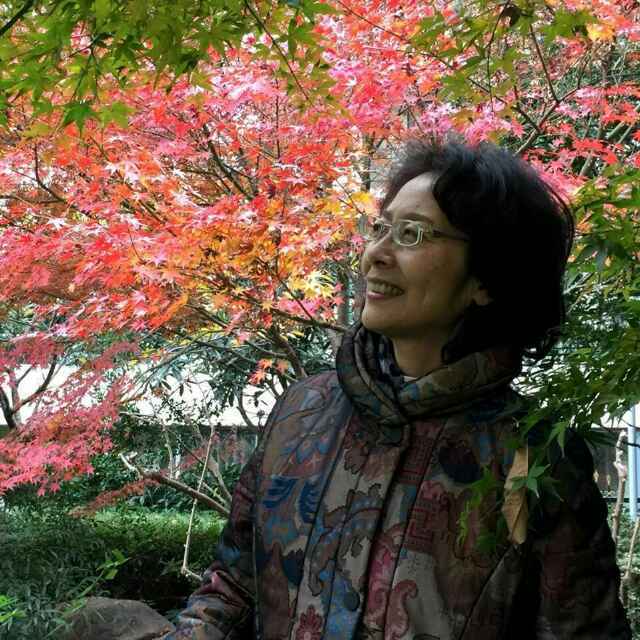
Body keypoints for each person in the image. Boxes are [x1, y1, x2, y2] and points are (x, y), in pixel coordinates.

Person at [165, 139, 631, 639]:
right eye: (380, 228)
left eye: (412, 234)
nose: (376, 255)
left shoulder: (534, 457)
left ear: (486, 279)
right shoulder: (300, 412)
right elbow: (232, 590)